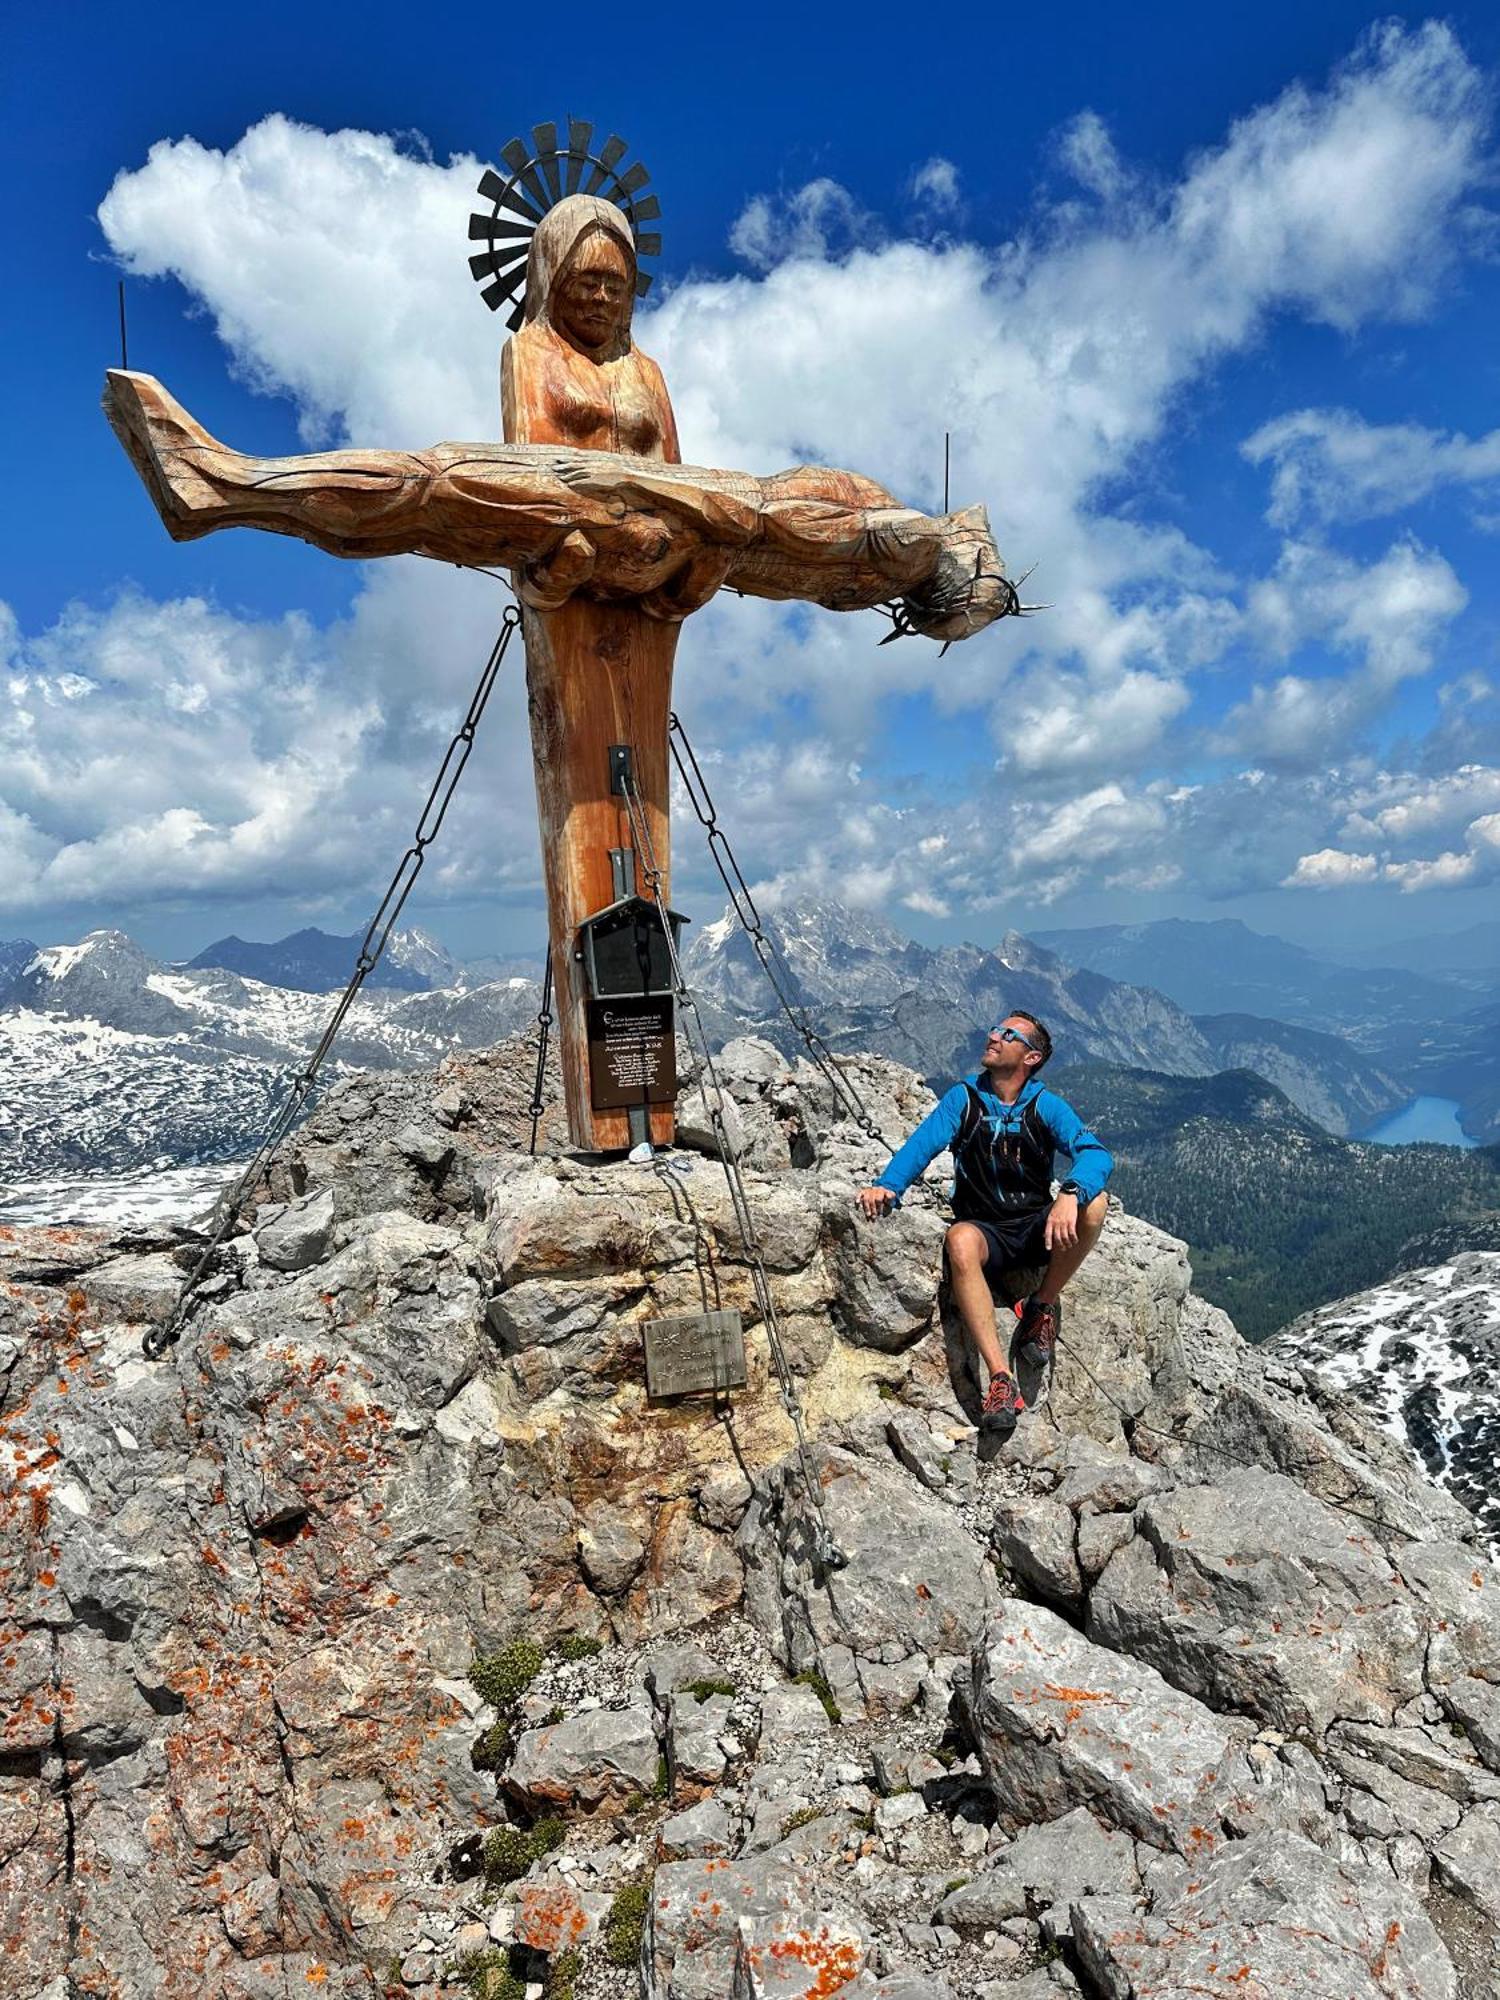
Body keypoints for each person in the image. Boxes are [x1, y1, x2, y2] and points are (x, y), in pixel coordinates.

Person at [856, 1013, 1112, 1436]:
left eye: (1007, 1035)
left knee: (1095, 1204)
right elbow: (924, 1143)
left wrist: (1071, 1192)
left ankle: (1040, 1308)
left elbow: (1095, 1154)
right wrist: (889, 1186)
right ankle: (999, 1378)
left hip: (1035, 1227)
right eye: (996, 1029)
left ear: (1030, 1057)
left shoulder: (1044, 1104)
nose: (994, 1036)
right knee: (959, 1240)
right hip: (985, 1231)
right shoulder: (964, 1098)